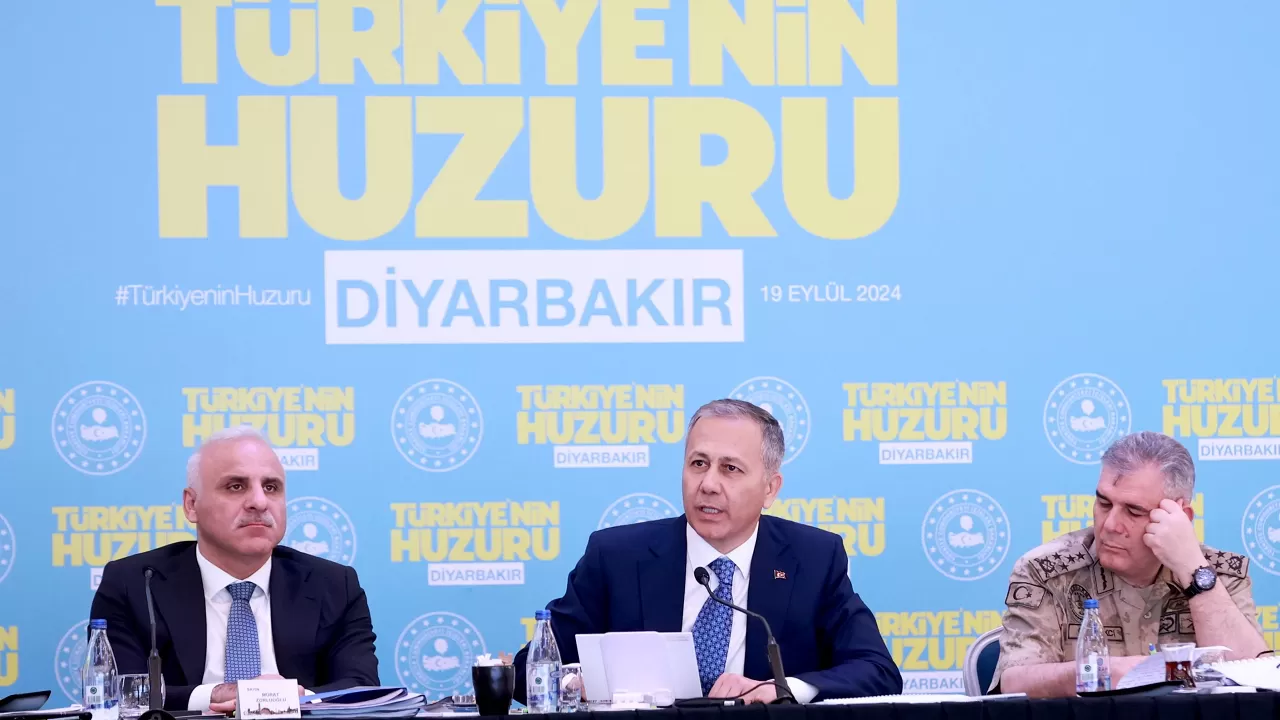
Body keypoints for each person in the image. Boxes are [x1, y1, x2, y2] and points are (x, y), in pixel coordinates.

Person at [513, 399, 903, 704]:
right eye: (698, 463)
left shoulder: (813, 558)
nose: (708, 484)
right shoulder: (617, 557)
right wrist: (574, 682)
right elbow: (529, 671)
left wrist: (781, 688)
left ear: (770, 488)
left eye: (731, 469)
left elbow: (877, 670)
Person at [89, 426, 379, 711]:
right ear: (192, 505)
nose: (259, 502)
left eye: (271, 487)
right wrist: (215, 695)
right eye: (236, 486)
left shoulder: (334, 585)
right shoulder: (134, 584)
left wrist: (296, 698)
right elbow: (118, 693)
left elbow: (360, 687)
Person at [992, 431, 1268, 696]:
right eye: (1104, 503)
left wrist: (1193, 569)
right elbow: (1014, 681)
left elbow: (1254, 678)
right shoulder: (1046, 572)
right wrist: (1102, 671)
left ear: (1179, 517)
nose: (1110, 525)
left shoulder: (1220, 576)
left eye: (1134, 511)